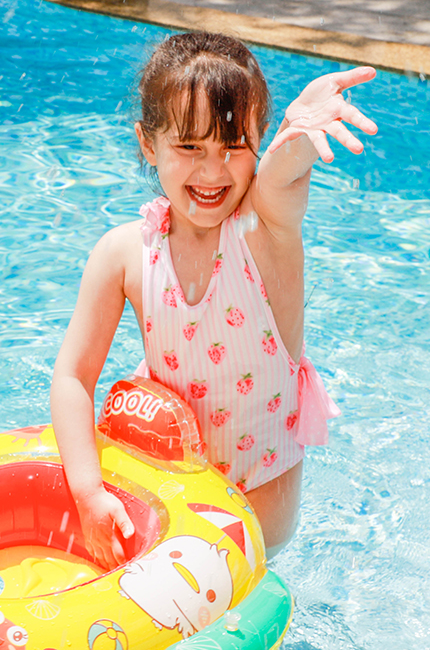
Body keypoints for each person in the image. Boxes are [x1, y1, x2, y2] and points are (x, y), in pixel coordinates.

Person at [51, 32, 377, 569]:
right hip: (169, 494)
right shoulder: (125, 255)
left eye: (233, 146)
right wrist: (88, 492)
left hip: (257, 529)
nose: (212, 171)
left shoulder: (263, 230)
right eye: (189, 147)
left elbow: (284, 173)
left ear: (259, 140)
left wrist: (298, 134)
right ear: (147, 143)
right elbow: (72, 378)